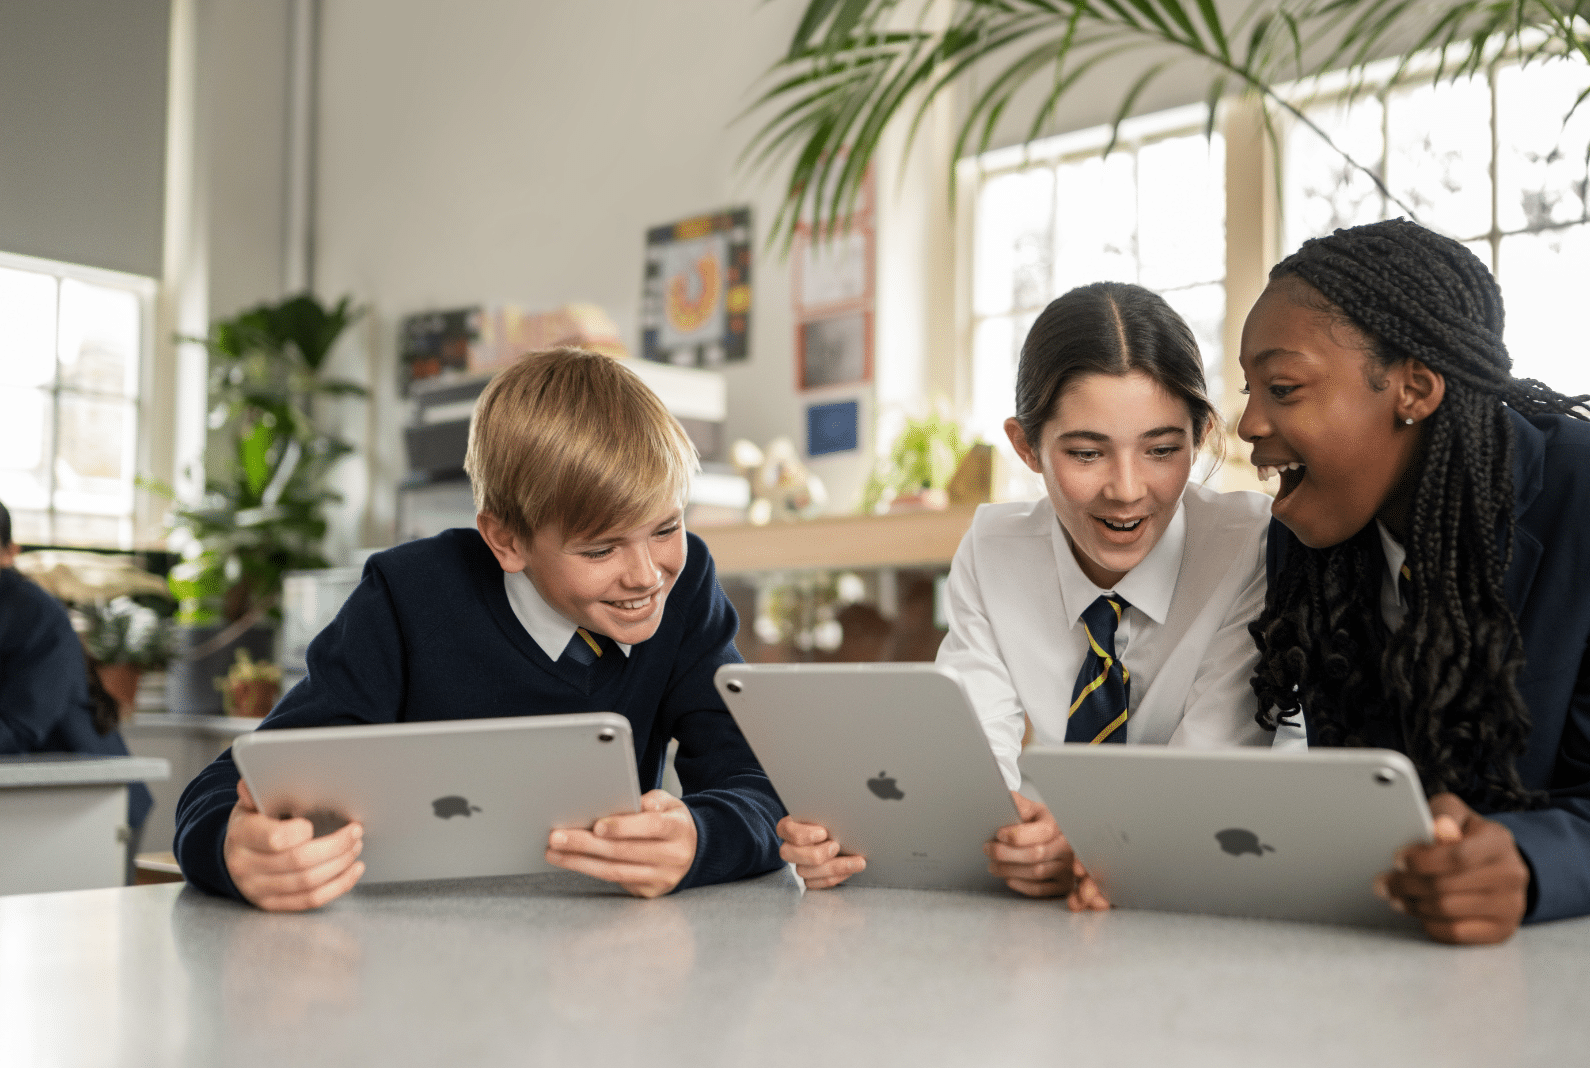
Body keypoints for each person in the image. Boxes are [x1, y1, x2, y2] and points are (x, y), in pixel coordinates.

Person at [1105, 218, 1590, 943]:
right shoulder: (1312, 535)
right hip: (1467, 937)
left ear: (1414, 388)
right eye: (1251, 387)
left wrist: (1523, 861)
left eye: (1284, 387)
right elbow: (1368, 793)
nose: (1249, 421)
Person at [172, 348, 787, 910]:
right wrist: (233, 849)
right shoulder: (408, 596)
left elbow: (762, 786)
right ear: (507, 540)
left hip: (603, 955)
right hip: (411, 948)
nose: (648, 575)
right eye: (601, 551)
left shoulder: (687, 587)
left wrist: (699, 840)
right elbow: (229, 788)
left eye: (665, 527)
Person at [778, 281, 1295, 897]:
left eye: (1162, 449)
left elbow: (1208, 782)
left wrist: (1093, 845)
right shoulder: (994, 551)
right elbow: (967, 770)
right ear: (1027, 446)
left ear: (1201, 433)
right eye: (1085, 453)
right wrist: (864, 842)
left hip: (1193, 905)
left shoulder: (1251, 547)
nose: (1126, 489)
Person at [0, 500, 155, 850]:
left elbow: (18, 726)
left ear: (11, 553)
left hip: (93, 808)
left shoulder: (30, 610)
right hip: (52, 810)